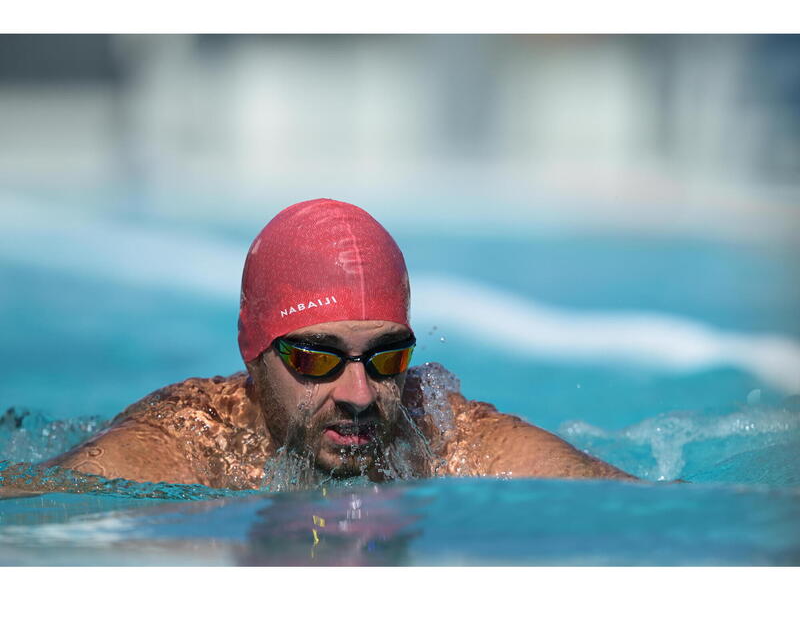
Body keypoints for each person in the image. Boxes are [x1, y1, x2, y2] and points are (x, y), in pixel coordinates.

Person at [42, 199, 634, 489]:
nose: (359, 394)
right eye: (314, 359)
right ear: (253, 353)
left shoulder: (446, 440)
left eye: (387, 358)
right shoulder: (175, 452)